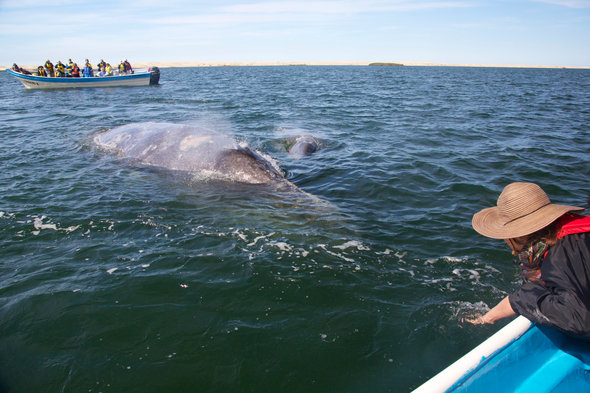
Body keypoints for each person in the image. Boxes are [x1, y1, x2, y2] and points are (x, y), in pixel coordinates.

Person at [467, 182, 590, 339]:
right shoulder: (568, 235)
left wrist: (524, 298)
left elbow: (580, 319)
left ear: (517, 234)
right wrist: (487, 318)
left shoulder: (559, 256)